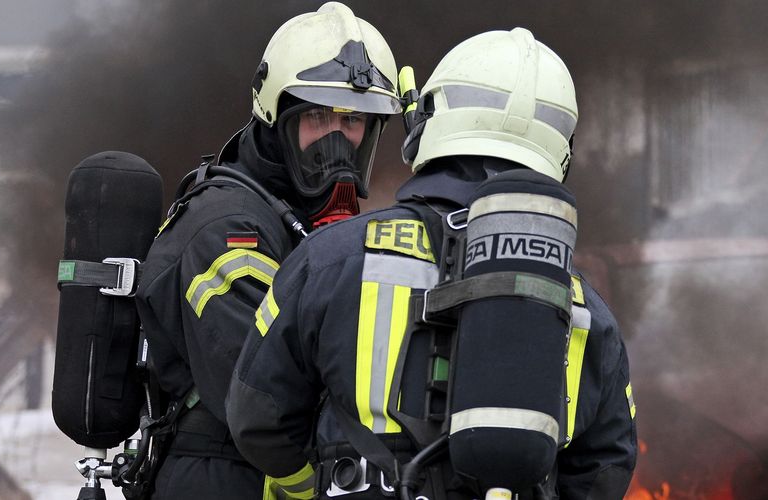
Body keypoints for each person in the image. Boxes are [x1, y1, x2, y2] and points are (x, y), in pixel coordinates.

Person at [227, 28, 637, 499]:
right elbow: (605, 468)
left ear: (430, 119)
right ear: (560, 149)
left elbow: (258, 417)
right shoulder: (586, 310)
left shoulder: (329, 260)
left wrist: (313, 485)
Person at [134, 3, 401, 498]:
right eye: (318, 117)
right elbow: (260, 392)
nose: (337, 140)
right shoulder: (227, 230)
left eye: (353, 120)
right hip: (223, 476)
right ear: (276, 118)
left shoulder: (290, 218)